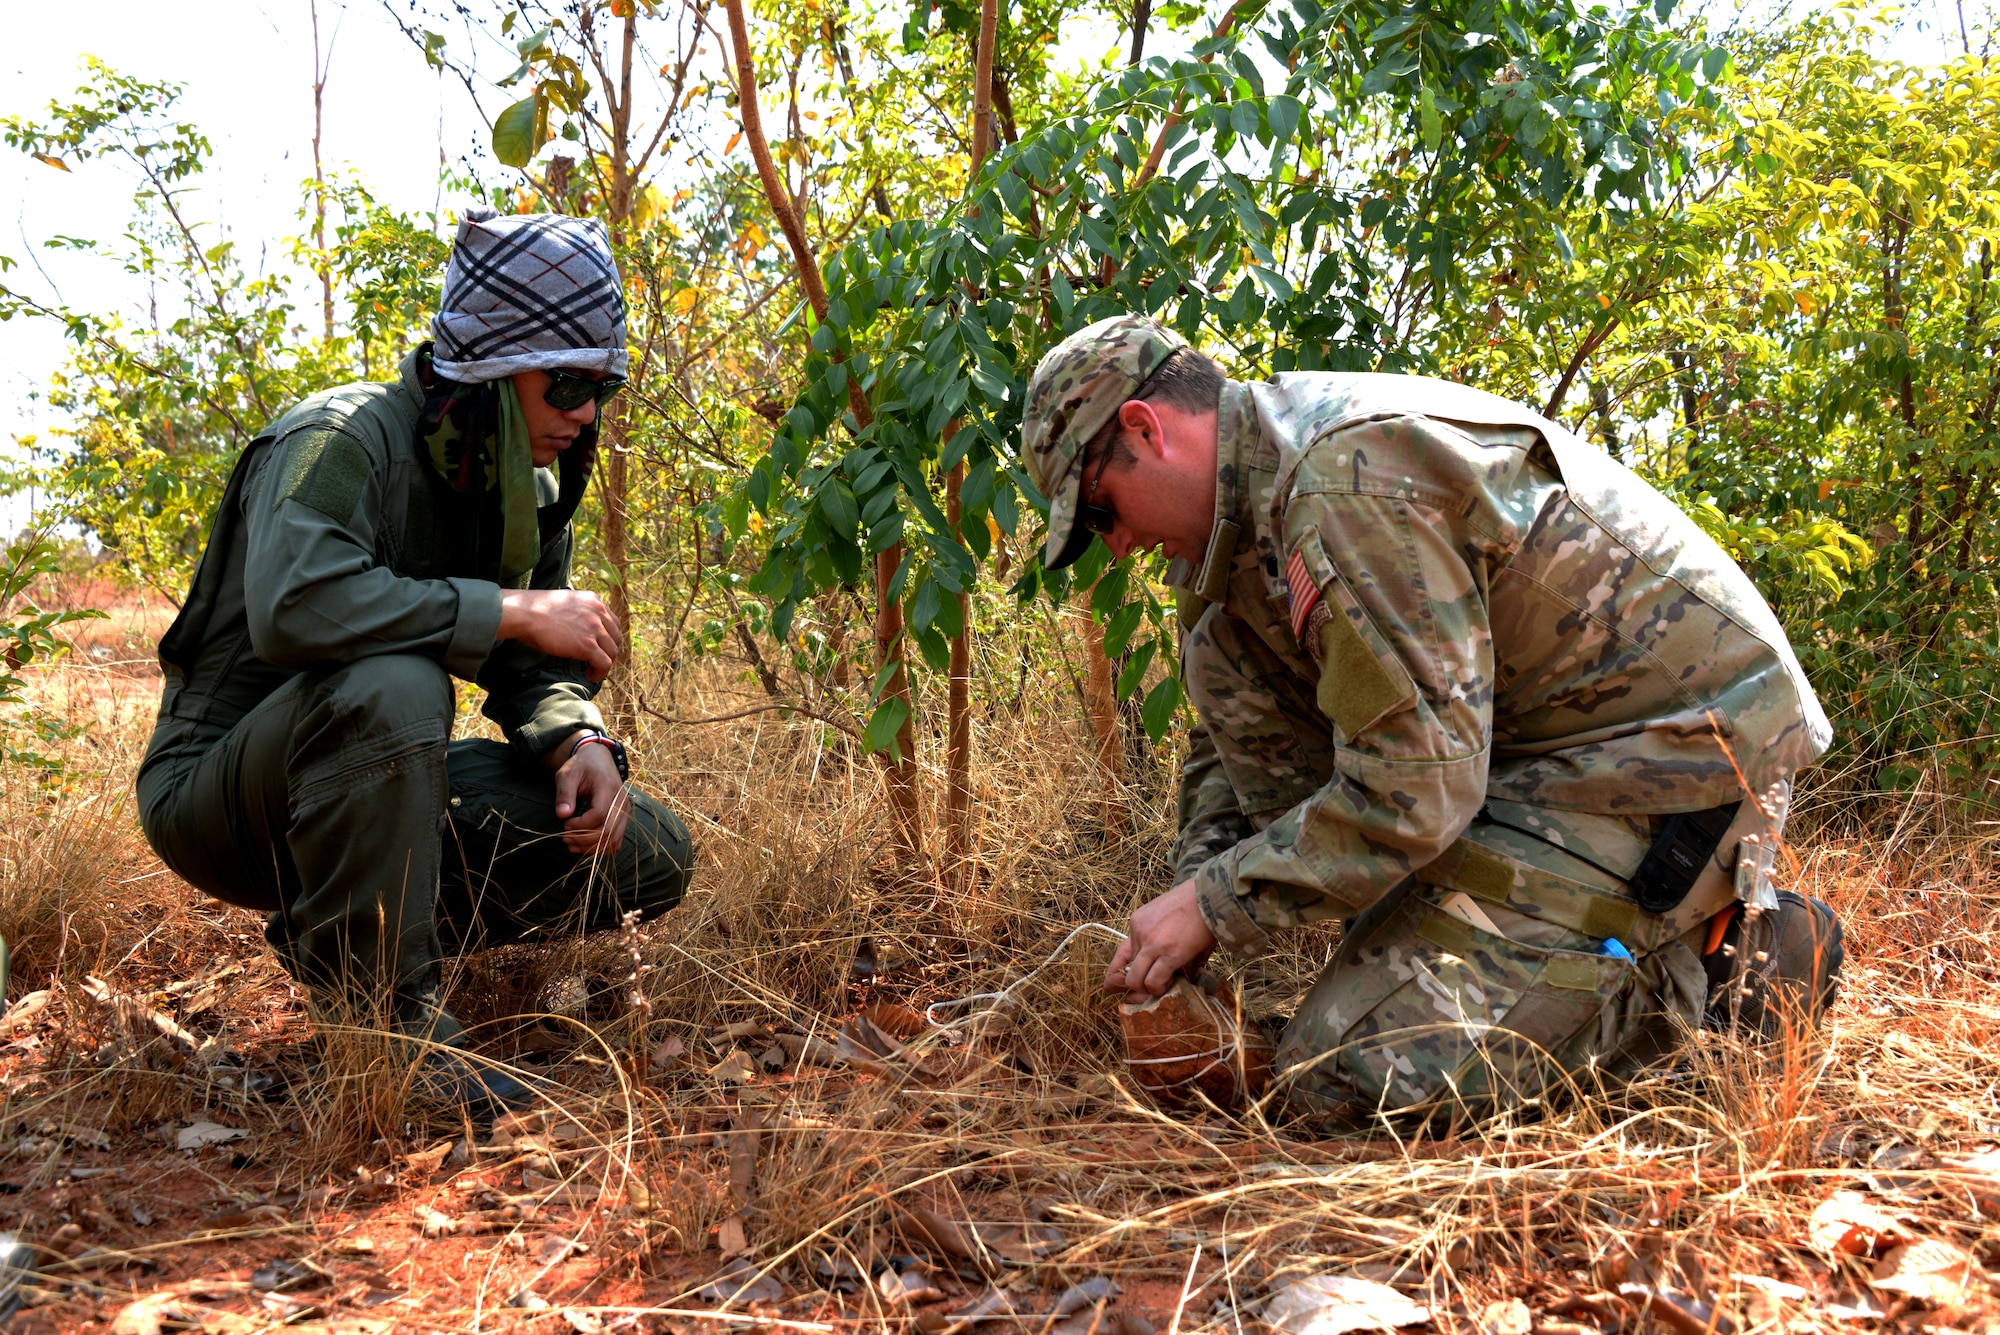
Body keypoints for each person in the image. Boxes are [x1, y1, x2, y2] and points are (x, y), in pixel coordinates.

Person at [1020, 313, 1844, 1125]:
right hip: (1520, 764)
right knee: (1219, 655)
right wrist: (1190, 910)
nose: (1116, 545)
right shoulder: (1239, 531)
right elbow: (1229, 743)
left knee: (1343, 1078)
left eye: (1102, 512)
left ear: (1145, 427)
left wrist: (1217, 903)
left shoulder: (1339, 482)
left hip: (1672, 757)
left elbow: (1418, 791)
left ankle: (1725, 965)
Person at [137, 211, 694, 1112]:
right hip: (220, 794)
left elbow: (531, 660)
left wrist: (579, 738)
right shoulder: (341, 439)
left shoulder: (524, 482)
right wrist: (512, 608)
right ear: (488, 371)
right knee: (398, 683)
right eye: (564, 383)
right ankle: (391, 1037)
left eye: (602, 385)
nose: (585, 410)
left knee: (651, 852)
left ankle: (340, 926)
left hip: (373, 780)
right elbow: (295, 606)